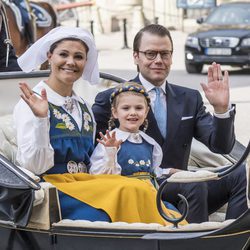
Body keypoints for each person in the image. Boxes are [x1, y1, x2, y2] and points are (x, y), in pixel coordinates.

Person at [13, 26, 183, 226]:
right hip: (52, 190)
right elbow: (33, 166)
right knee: (124, 197)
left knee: (144, 192)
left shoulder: (83, 106)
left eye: (78, 56)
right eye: (63, 54)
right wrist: (42, 119)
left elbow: (94, 159)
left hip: (88, 183)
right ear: (49, 56)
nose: (71, 62)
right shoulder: (31, 103)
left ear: (86, 62)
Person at [92, 24, 248, 223]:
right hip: (139, 188)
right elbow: (93, 152)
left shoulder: (190, 98)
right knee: (194, 184)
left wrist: (221, 110)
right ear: (135, 57)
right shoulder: (111, 99)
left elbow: (221, 146)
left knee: (237, 172)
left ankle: (233, 237)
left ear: (172, 57)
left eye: (165, 54)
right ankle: (194, 242)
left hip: (181, 184)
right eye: (150, 54)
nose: (158, 60)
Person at [90, 82, 187, 225]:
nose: (133, 112)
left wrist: (171, 171)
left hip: (150, 198)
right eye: (126, 108)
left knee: (172, 223)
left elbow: (153, 171)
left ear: (146, 112)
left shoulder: (150, 143)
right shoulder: (110, 140)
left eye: (139, 108)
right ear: (115, 112)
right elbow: (98, 175)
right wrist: (111, 152)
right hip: (126, 200)